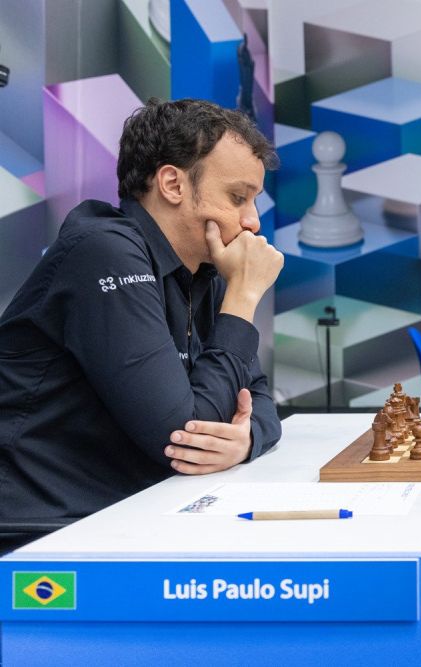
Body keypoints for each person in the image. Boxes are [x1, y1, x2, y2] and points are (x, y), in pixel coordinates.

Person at [0, 99, 284, 543]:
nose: (252, 222)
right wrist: (244, 297)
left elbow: (260, 396)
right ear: (172, 183)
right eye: (238, 197)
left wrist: (245, 441)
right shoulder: (103, 251)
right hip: (43, 536)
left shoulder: (203, 271)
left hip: (130, 516)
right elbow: (183, 437)